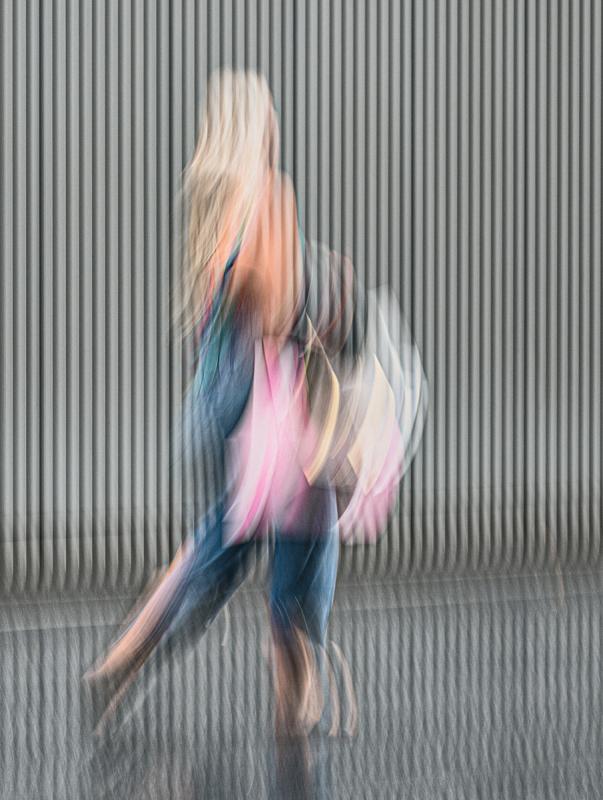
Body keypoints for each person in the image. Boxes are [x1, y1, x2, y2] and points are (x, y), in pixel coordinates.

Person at [84, 69, 427, 763]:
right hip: (265, 408)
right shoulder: (268, 195)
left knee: (219, 549)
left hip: (213, 412)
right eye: (268, 114)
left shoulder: (211, 213)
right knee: (302, 539)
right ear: (257, 127)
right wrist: (328, 287)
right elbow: (277, 312)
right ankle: (294, 727)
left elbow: (231, 313)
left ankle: (127, 657)